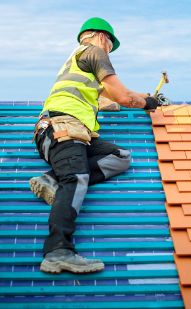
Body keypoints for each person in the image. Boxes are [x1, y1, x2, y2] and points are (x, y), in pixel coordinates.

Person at [29, 17, 164, 274]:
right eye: (111, 43)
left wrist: (147, 98)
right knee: (77, 177)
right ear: (101, 37)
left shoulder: (79, 65)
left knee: (120, 157)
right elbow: (124, 97)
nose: (110, 49)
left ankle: (52, 178)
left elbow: (114, 97)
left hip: (72, 132)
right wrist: (147, 104)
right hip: (63, 128)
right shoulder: (94, 53)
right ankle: (58, 251)